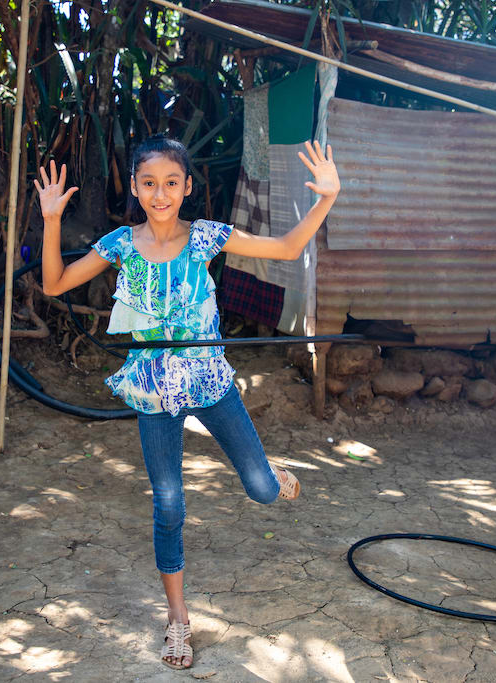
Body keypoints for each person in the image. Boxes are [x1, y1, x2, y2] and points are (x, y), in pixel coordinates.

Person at [33, 134, 341, 669]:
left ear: (187, 187)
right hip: (153, 385)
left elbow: (288, 249)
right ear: (134, 187)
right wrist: (52, 219)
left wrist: (326, 199)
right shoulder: (120, 244)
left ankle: (273, 473)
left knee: (263, 492)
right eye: (148, 183)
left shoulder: (205, 237)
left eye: (171, 183)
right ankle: (177, 619)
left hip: (209, 378)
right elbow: (55, 284)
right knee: (169, 502)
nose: (159, 194)